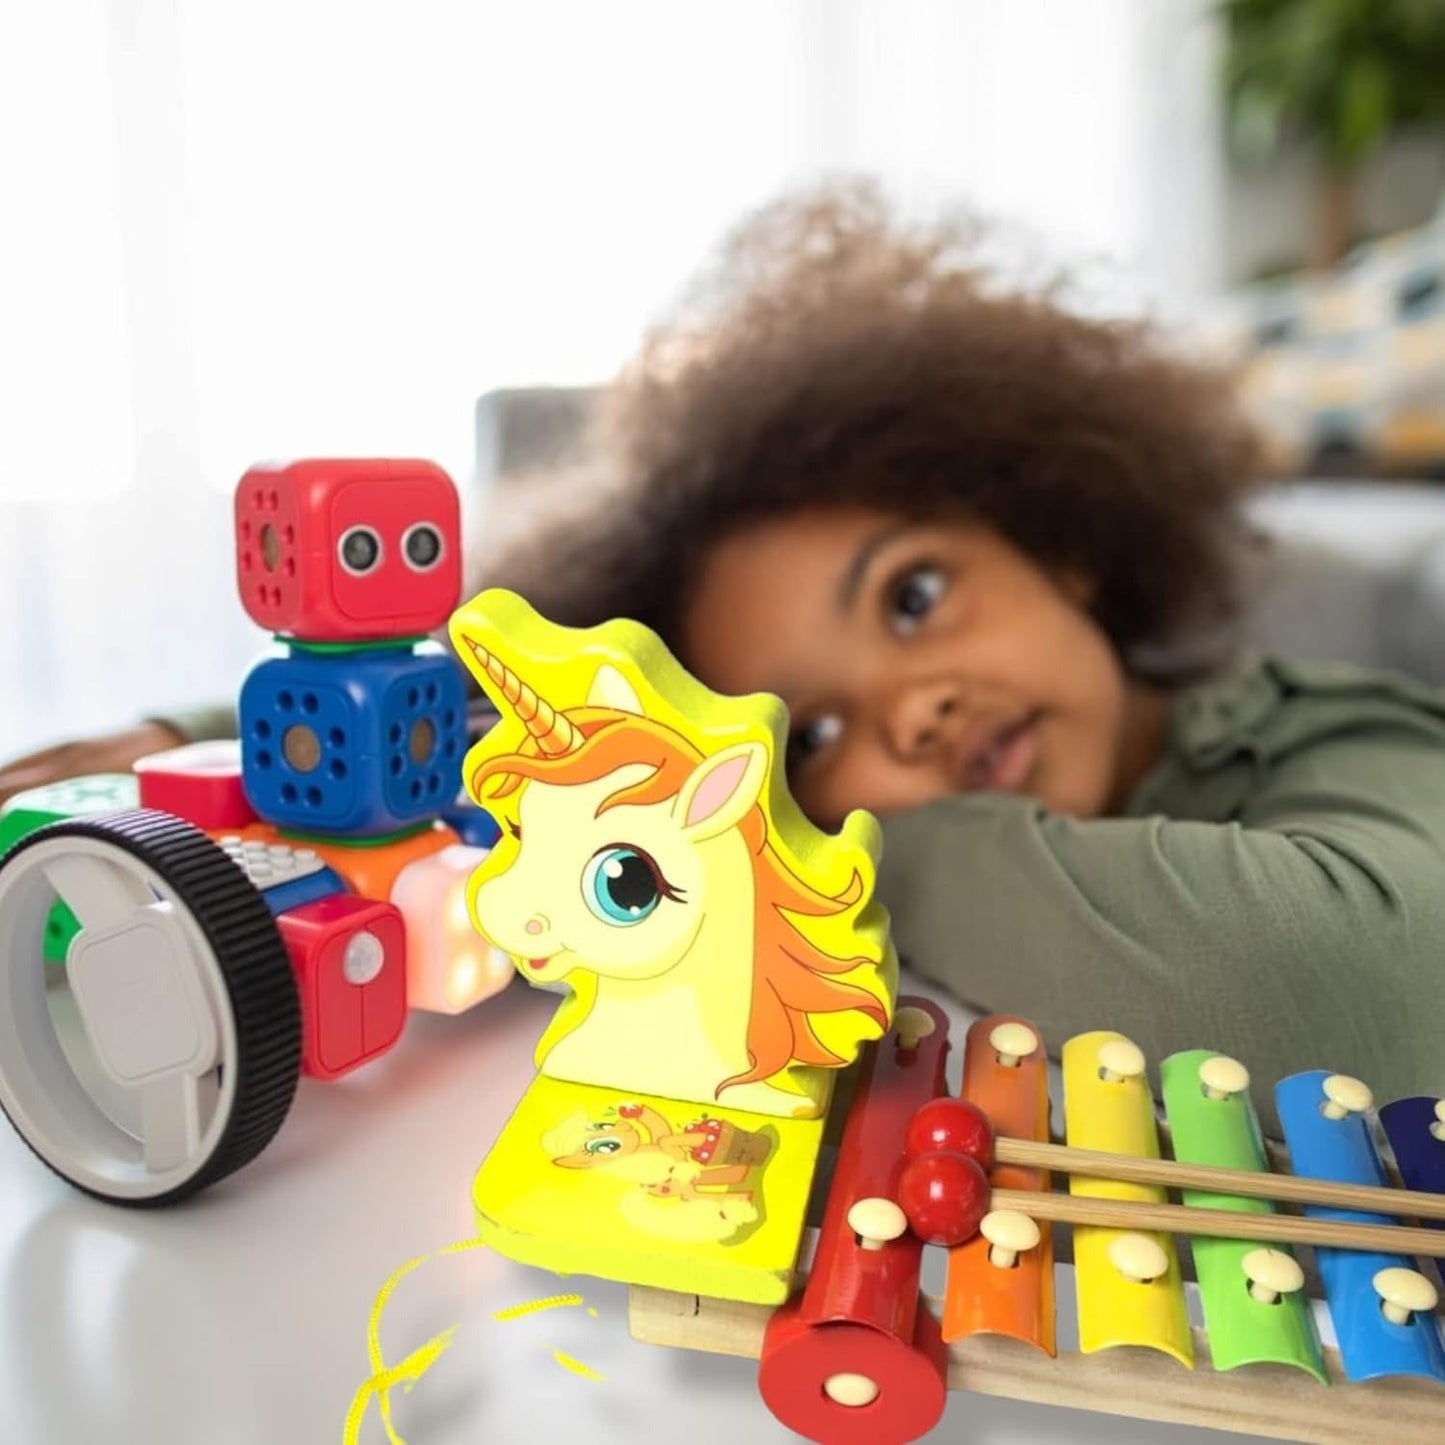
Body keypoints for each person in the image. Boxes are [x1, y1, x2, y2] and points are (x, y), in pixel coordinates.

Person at [6, 183, 1444, 1131]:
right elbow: (500, 738)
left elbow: (1370, 983)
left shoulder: (1329, 735)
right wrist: (221, 735)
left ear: (1055, 535)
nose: (910, 710)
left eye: (913, 593)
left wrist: (793, 814)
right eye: (806, 737)